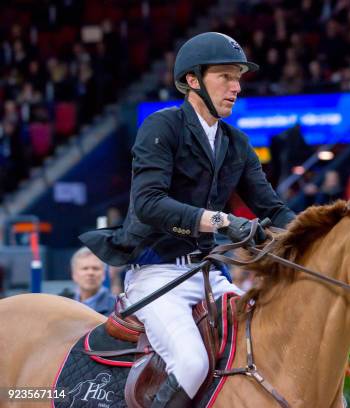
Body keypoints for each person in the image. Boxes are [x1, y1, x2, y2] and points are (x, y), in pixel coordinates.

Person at [78, 32, 295, 407]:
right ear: (193, 80)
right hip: (158, 274)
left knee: (261, 345)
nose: (236, 87)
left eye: (239, 77)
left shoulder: (236, 143)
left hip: (210, 277)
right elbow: (148, 203)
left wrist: (317, 234)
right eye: (226, 76)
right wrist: (223, 222)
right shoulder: (163, 127)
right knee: (193, 364)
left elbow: (273, 209)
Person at [60, 247, 116, 316]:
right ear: (74, 274)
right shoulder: (60, 304)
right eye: (85, 268)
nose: (90, 273)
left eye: (96, 268)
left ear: (104, 274)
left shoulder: (116, 308)